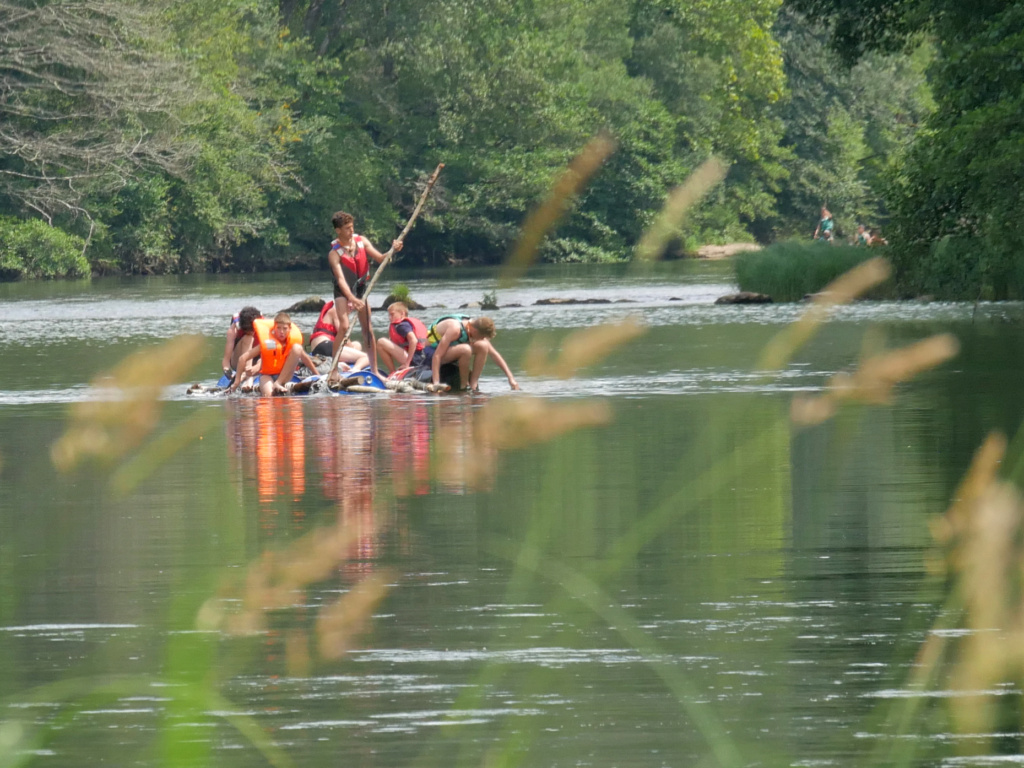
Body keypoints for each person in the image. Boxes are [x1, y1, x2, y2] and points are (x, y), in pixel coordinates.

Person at [327, 211, 403, 377]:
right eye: (347, 228)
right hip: (343, 291)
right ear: (338, 230)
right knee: (345, 326)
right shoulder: (334, 254)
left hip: (361, 288)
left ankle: (374, 370)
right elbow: (340, 279)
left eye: (352, 227)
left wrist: (393, 250)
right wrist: (352, 299)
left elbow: (381, 258)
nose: (350, 231)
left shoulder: (361, 242)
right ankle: (333, 369)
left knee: (368, 330)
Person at [229, 312, 320, 396]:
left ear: (289, 329)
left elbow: (305, 359)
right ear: (274, 328)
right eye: (278, 328)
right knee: (269, 396)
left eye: (284, 328)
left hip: (285, 376)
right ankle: (275, 386)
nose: (281, 332)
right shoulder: (268, 343)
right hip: (267, 376)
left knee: (298, 348)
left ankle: (278, 383)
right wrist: (236, 382)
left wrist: (317, 375)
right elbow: (242, 358)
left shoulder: (292, 344)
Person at [426, 314, 519, 392]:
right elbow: (437, 356)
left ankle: (473, 385)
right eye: (481, 337)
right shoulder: (455, 329)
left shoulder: (473, 327)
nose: (481, 339)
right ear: (475, 330)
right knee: (465, 349)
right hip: (430, 353)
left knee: (483, 346)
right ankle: (463, 387)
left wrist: (511, 378)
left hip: (449, 351)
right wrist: (436, 383)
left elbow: (494, 354)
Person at [308, 299, 369, 371]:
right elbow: (344, 336)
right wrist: (353, 350)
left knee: (357, 344)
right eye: (348, 302)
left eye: (353, 303)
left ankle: (340, 364)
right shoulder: (336, 311)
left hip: (319, 349)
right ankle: (355, 369)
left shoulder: (334, 312)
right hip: (324, 347)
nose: (351, 305)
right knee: (366, 357)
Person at [376, 302, 429, 374]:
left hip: (415, 359)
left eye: (392, 314)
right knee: (386, 342)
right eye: (389, 315)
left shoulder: (402, 326)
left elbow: (413, 340)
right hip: (423, 357)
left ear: (402, 313)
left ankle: (392, 372)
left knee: (381, 342)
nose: (389, 317)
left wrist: (407, 364)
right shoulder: (407, 324)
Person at [221, 306, 262, 379]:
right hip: (239, 361)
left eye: (253, 330)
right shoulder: (233, 329)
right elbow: (226, 361)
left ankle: (249, 373)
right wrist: (227, 371)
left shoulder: (263, 324)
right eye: (248, 331)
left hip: (257, 360)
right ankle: (247, 374)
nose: (252, 333)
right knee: (248, 338)